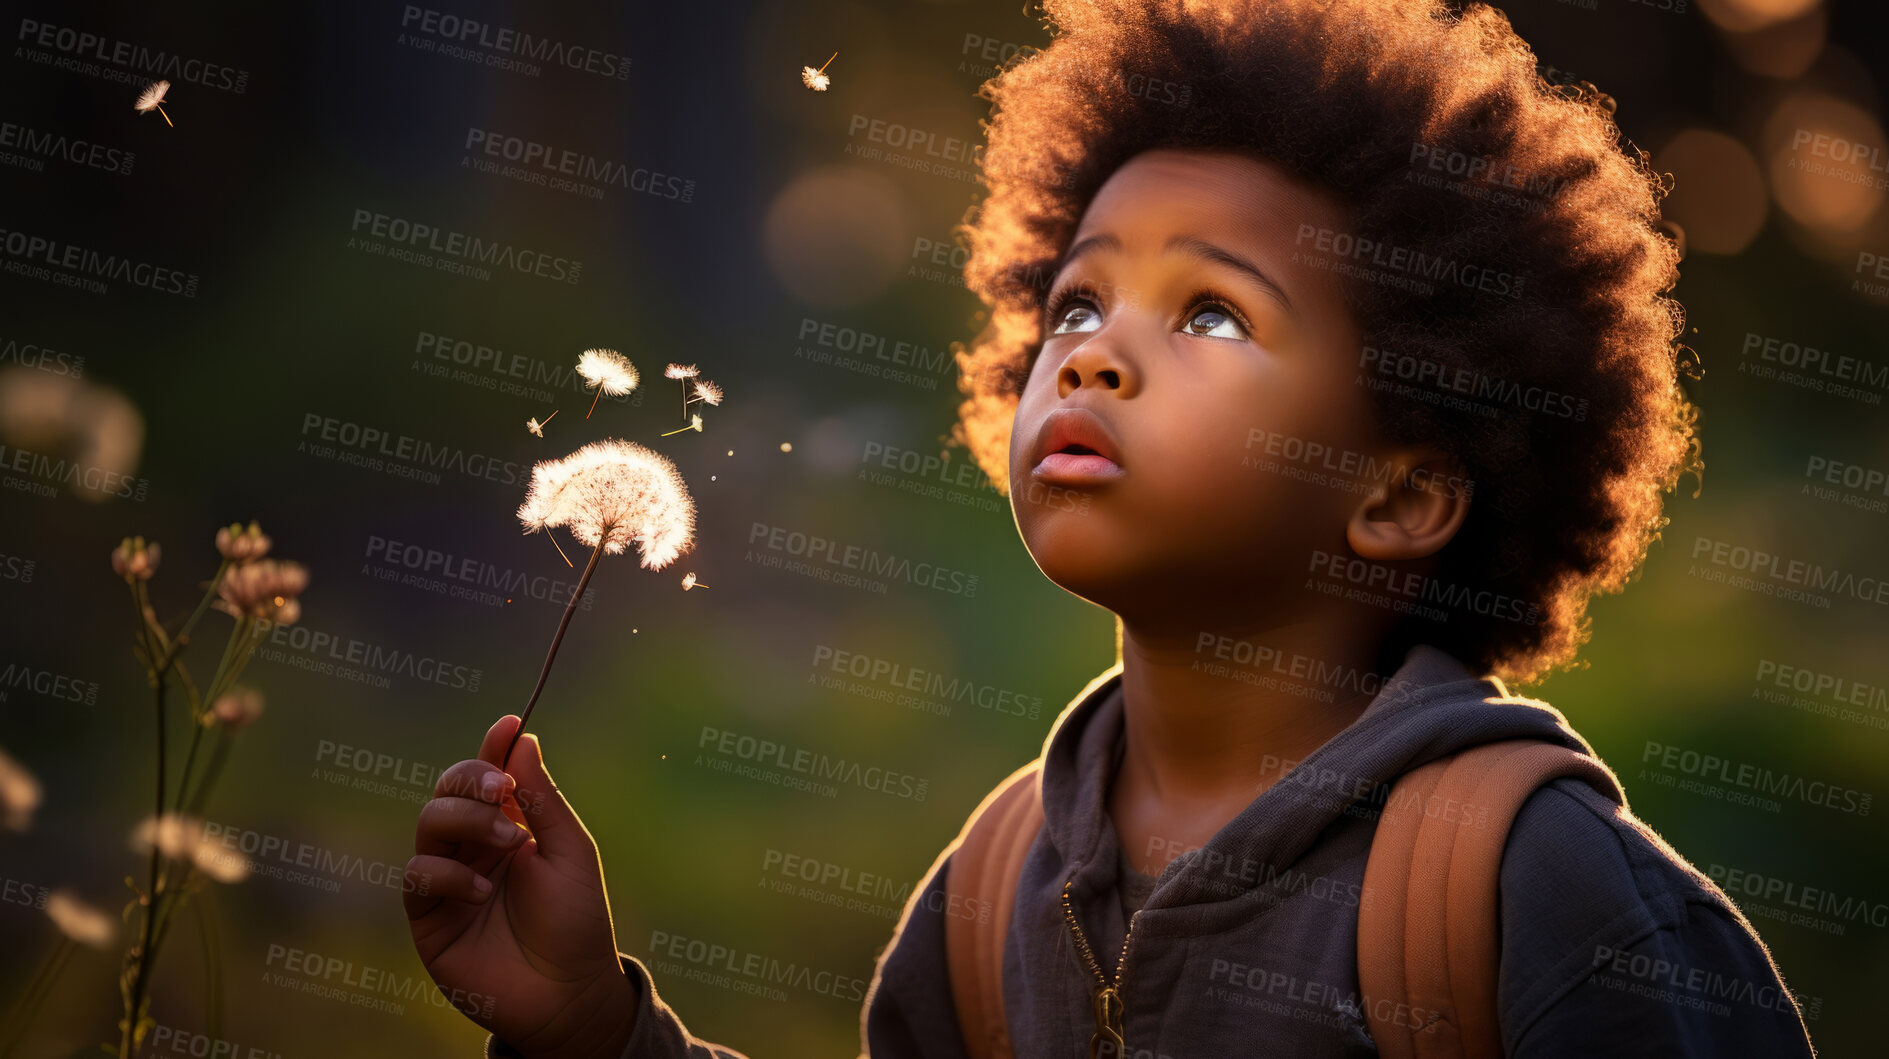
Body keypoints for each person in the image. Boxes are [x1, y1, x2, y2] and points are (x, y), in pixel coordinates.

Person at [406, 0, 1819, 1054]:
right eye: (1075, 304)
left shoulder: (1547, 906)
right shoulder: (988, 895)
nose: (1089, 358)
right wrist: (589, 1026)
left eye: (1211, 313)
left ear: (1394, 494)